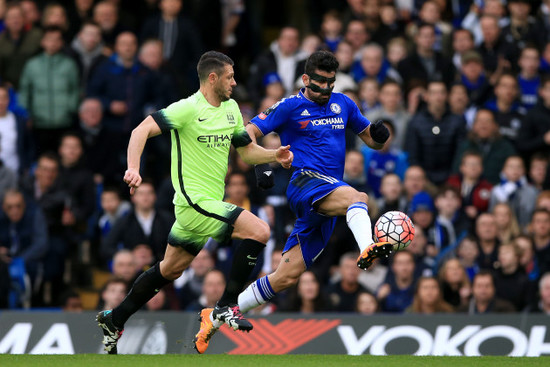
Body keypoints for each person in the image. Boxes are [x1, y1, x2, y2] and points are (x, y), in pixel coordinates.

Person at [96, 51, 293, 355]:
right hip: (192, 203)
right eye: (229, 76)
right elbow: (141, 130)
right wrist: (133, 167)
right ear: (212, 78)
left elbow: (246, 152)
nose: (234, 82)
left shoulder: (231, 108)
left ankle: (115, 319)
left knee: (169, 270)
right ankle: (226, 305)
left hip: (206, 207)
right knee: (260, 231)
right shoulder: (187, 108)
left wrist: (273, 156)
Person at [194, 50, 392, 352]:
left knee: (285, 277)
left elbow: (372, 142)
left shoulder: (345, 104)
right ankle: (367, 246)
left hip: (329, 195)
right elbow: (248, 133)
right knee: (359, 197)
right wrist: (260, 164)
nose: (325, 89)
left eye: (331, 83)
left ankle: (215, 316)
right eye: (320, 82)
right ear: (305, 78)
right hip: (305, 184)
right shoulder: (288, 106)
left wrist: (379, 136)